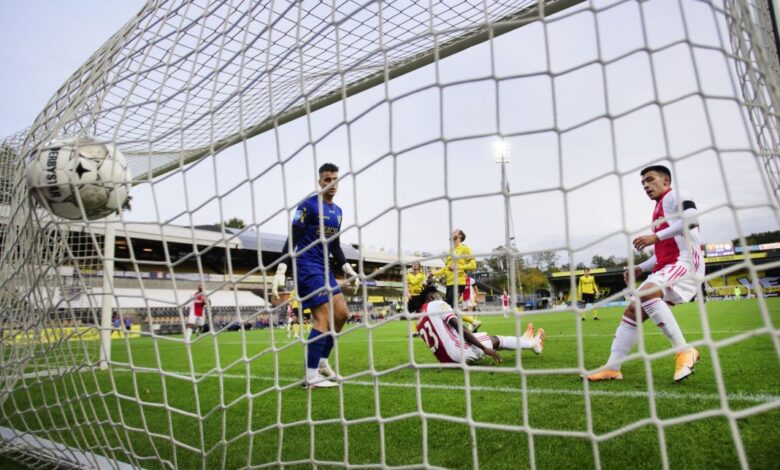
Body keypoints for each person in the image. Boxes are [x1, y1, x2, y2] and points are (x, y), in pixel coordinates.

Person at [587, 165, 704, 383]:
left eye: (650, 180)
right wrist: (641, 268)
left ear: (666, 181)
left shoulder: (675, 195)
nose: (646, 186)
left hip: (686, 264)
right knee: (632, 311)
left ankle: (684, 351)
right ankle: (612, 368)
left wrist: (655, 237)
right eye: (643, 183)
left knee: (645, 295)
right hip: (668, 265)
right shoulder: (660, 209)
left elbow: (692, 219)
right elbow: (665, 253)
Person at [271, 163, 359, 389]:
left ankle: (321, 362)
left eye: (335, 179)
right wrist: (281, 268)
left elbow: (335, 245)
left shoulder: (337, 212)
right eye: (327, 179)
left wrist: (347, 268)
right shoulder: (308, 206)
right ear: (320, 182)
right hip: (306, 266)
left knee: (342, 314)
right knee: (323, 318)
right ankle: (310, 378)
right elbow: (293, 238)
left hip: (325, 268)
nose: (332, 184)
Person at [416, 285, 544, 364]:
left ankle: (523, 340)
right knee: (496, 340)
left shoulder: (419, 320)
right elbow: (460, 327)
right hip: (458, 352)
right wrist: (483, 348)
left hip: (445, 360)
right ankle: (532, 344)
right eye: (438, 294)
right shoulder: (436, 304)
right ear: (432, 296)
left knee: (487, 339)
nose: (441, 297)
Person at [432, 229, 478, 330]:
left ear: (460, 236)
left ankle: (459, 329)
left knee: (447, 307)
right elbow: (446, 268)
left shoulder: (465, 249)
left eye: (455, 232)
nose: (452, 233)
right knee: (450, 308)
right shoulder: (450, 251)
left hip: (458, 282)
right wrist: (433, 273)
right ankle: (473, 323)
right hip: (449, 284)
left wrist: (457, 268)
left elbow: (473, 265)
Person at [406, 262, 427, 336]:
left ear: (419, 266)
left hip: (419, 296)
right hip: (411, 296)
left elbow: (424, 284)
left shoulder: (422, 274)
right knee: (410, 314)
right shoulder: (408, 275)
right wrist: (407, 293)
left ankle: (418, 331)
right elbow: (406, 285)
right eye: (413, 264)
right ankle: (411, 331)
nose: (414, 265)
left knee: (419, 314)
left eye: (416, 264)